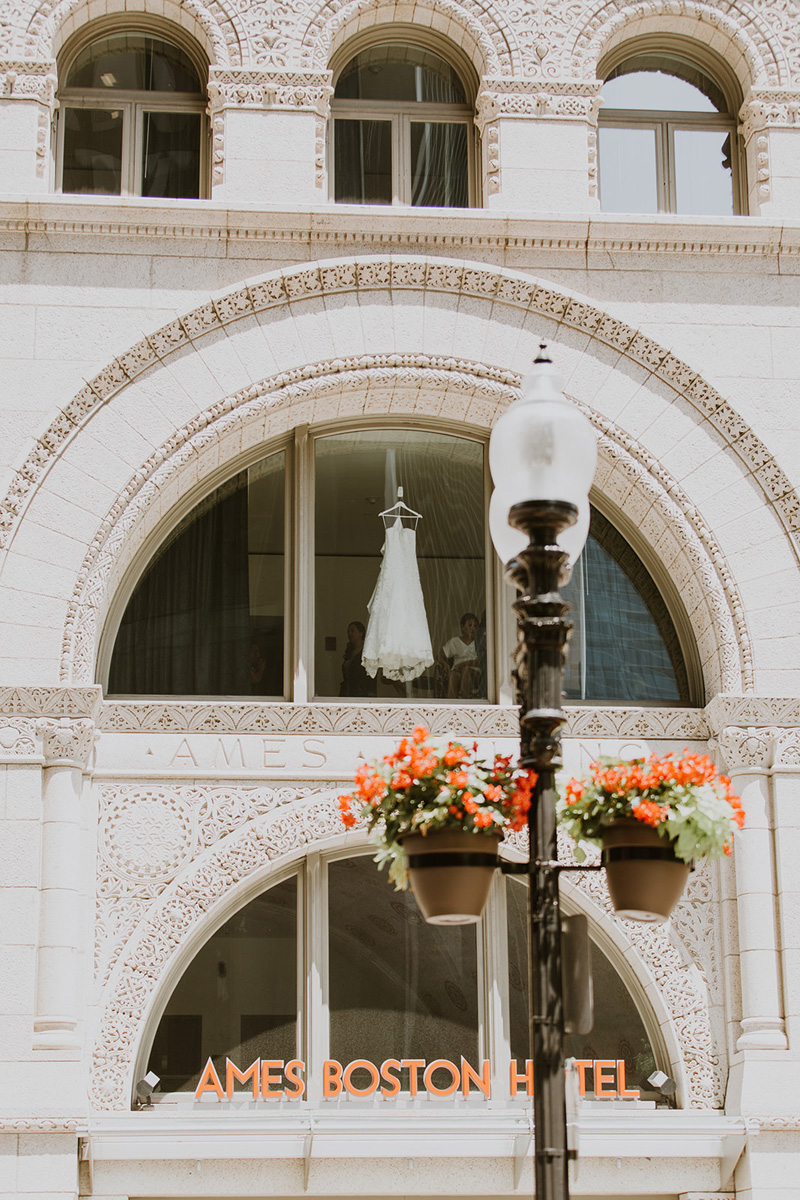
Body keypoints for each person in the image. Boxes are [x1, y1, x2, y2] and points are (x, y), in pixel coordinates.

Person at [438, 612, 481, 699]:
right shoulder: (455, 642)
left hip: (474, 673)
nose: (473, 628)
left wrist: (464, 664)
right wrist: (445, 664)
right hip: (457, 671)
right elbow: (440, 655)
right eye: (470, 625)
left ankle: (466, 703)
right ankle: (451, 705)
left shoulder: (480, 642)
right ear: (462, 628)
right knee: (453, 675)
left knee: (466, 671)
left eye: (475, 626)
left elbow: (481, 661)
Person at [340, 621, 377, 698]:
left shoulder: (366, 651)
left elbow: (371, 674)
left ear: (361, 633)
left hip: (362, 693)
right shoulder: (349, 651)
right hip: (348, 692)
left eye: (352, 631)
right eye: (348, 632)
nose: (350, 634)